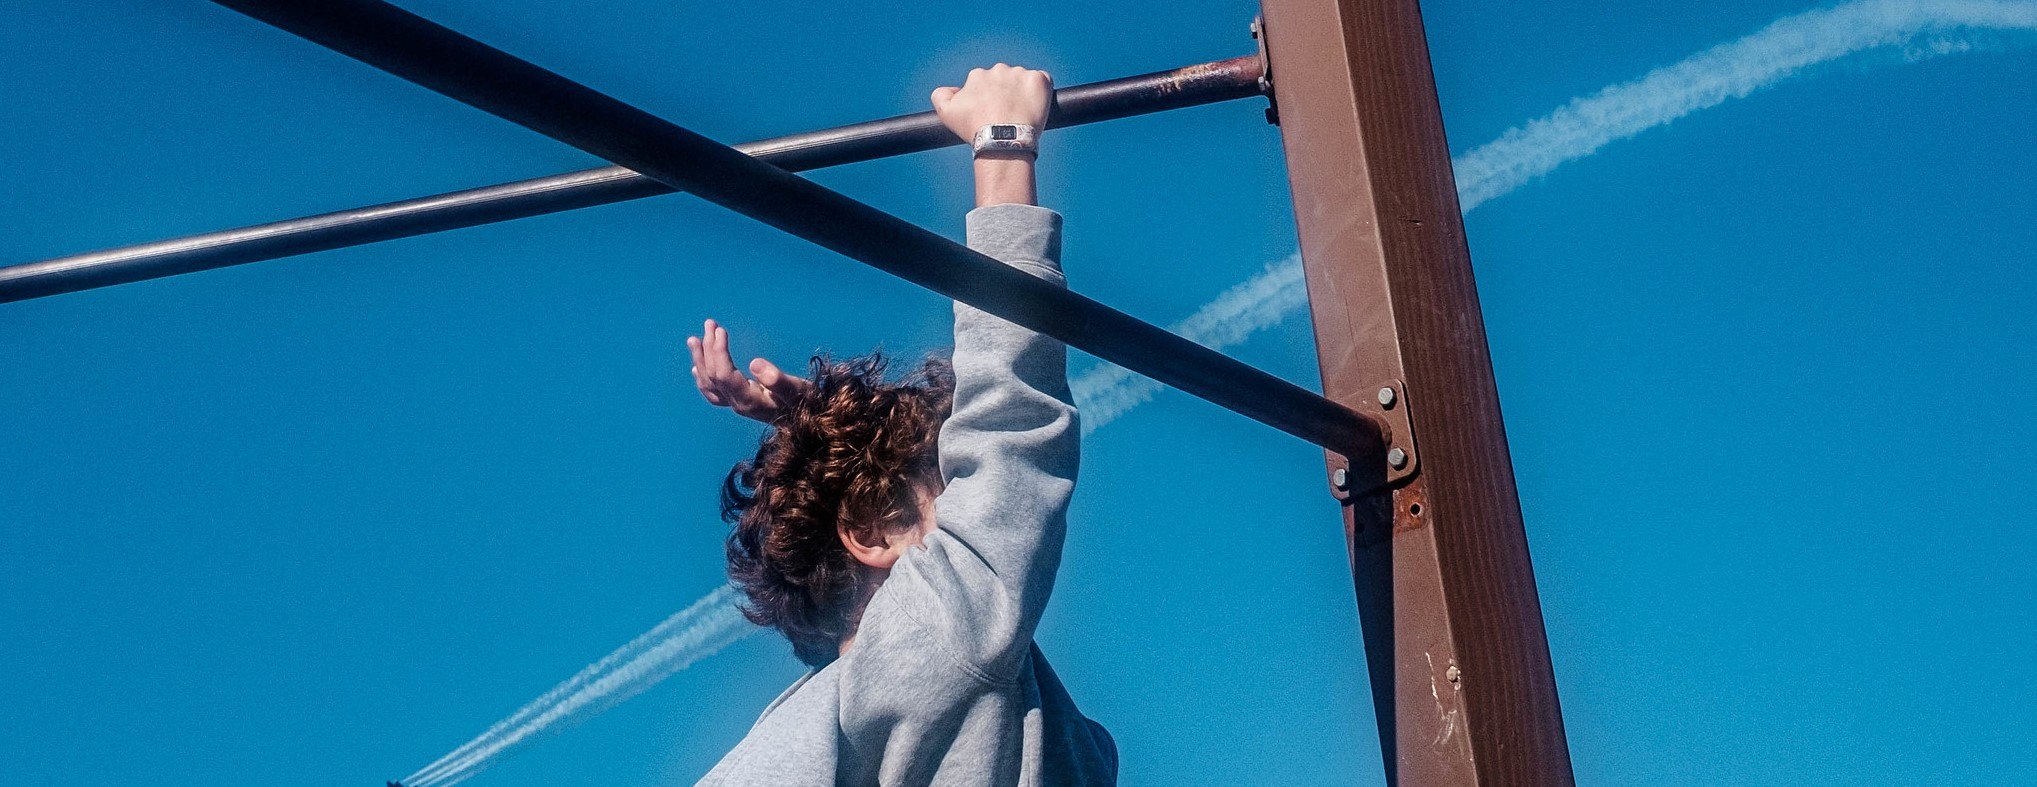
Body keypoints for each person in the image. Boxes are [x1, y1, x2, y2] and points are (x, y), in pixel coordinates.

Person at [684, 63, 1115, 785]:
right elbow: (1007, 432)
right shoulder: (932, 651)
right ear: (877, 530)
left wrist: (815, 425)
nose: (972, 511)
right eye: (952, 485)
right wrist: (1003, 146)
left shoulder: (832, 728)